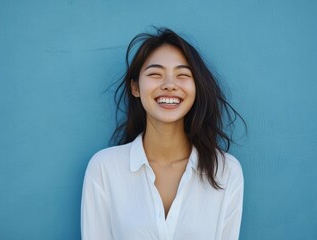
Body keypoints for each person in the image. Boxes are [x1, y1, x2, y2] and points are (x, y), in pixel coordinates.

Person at [81, 27, 245, 240]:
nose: (169, 85)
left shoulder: (225, 171)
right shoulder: (104, 168)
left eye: (183, 75)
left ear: (196, 88)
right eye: (155, 74)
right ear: (136, 88)